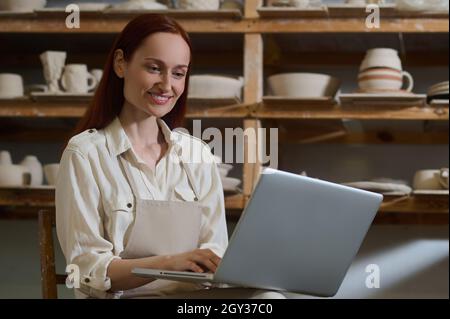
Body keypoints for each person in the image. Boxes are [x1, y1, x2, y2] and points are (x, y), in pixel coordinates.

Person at [56, 14, 286, 299]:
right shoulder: (85, 154)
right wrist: (166, 264)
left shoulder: (196, 154)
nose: (167, 85)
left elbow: (214, 254)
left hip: (191, 303)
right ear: (120, 64)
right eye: (154, 68)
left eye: (178, 73)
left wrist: (246, 268)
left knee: (268, 299)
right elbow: (85, 269)